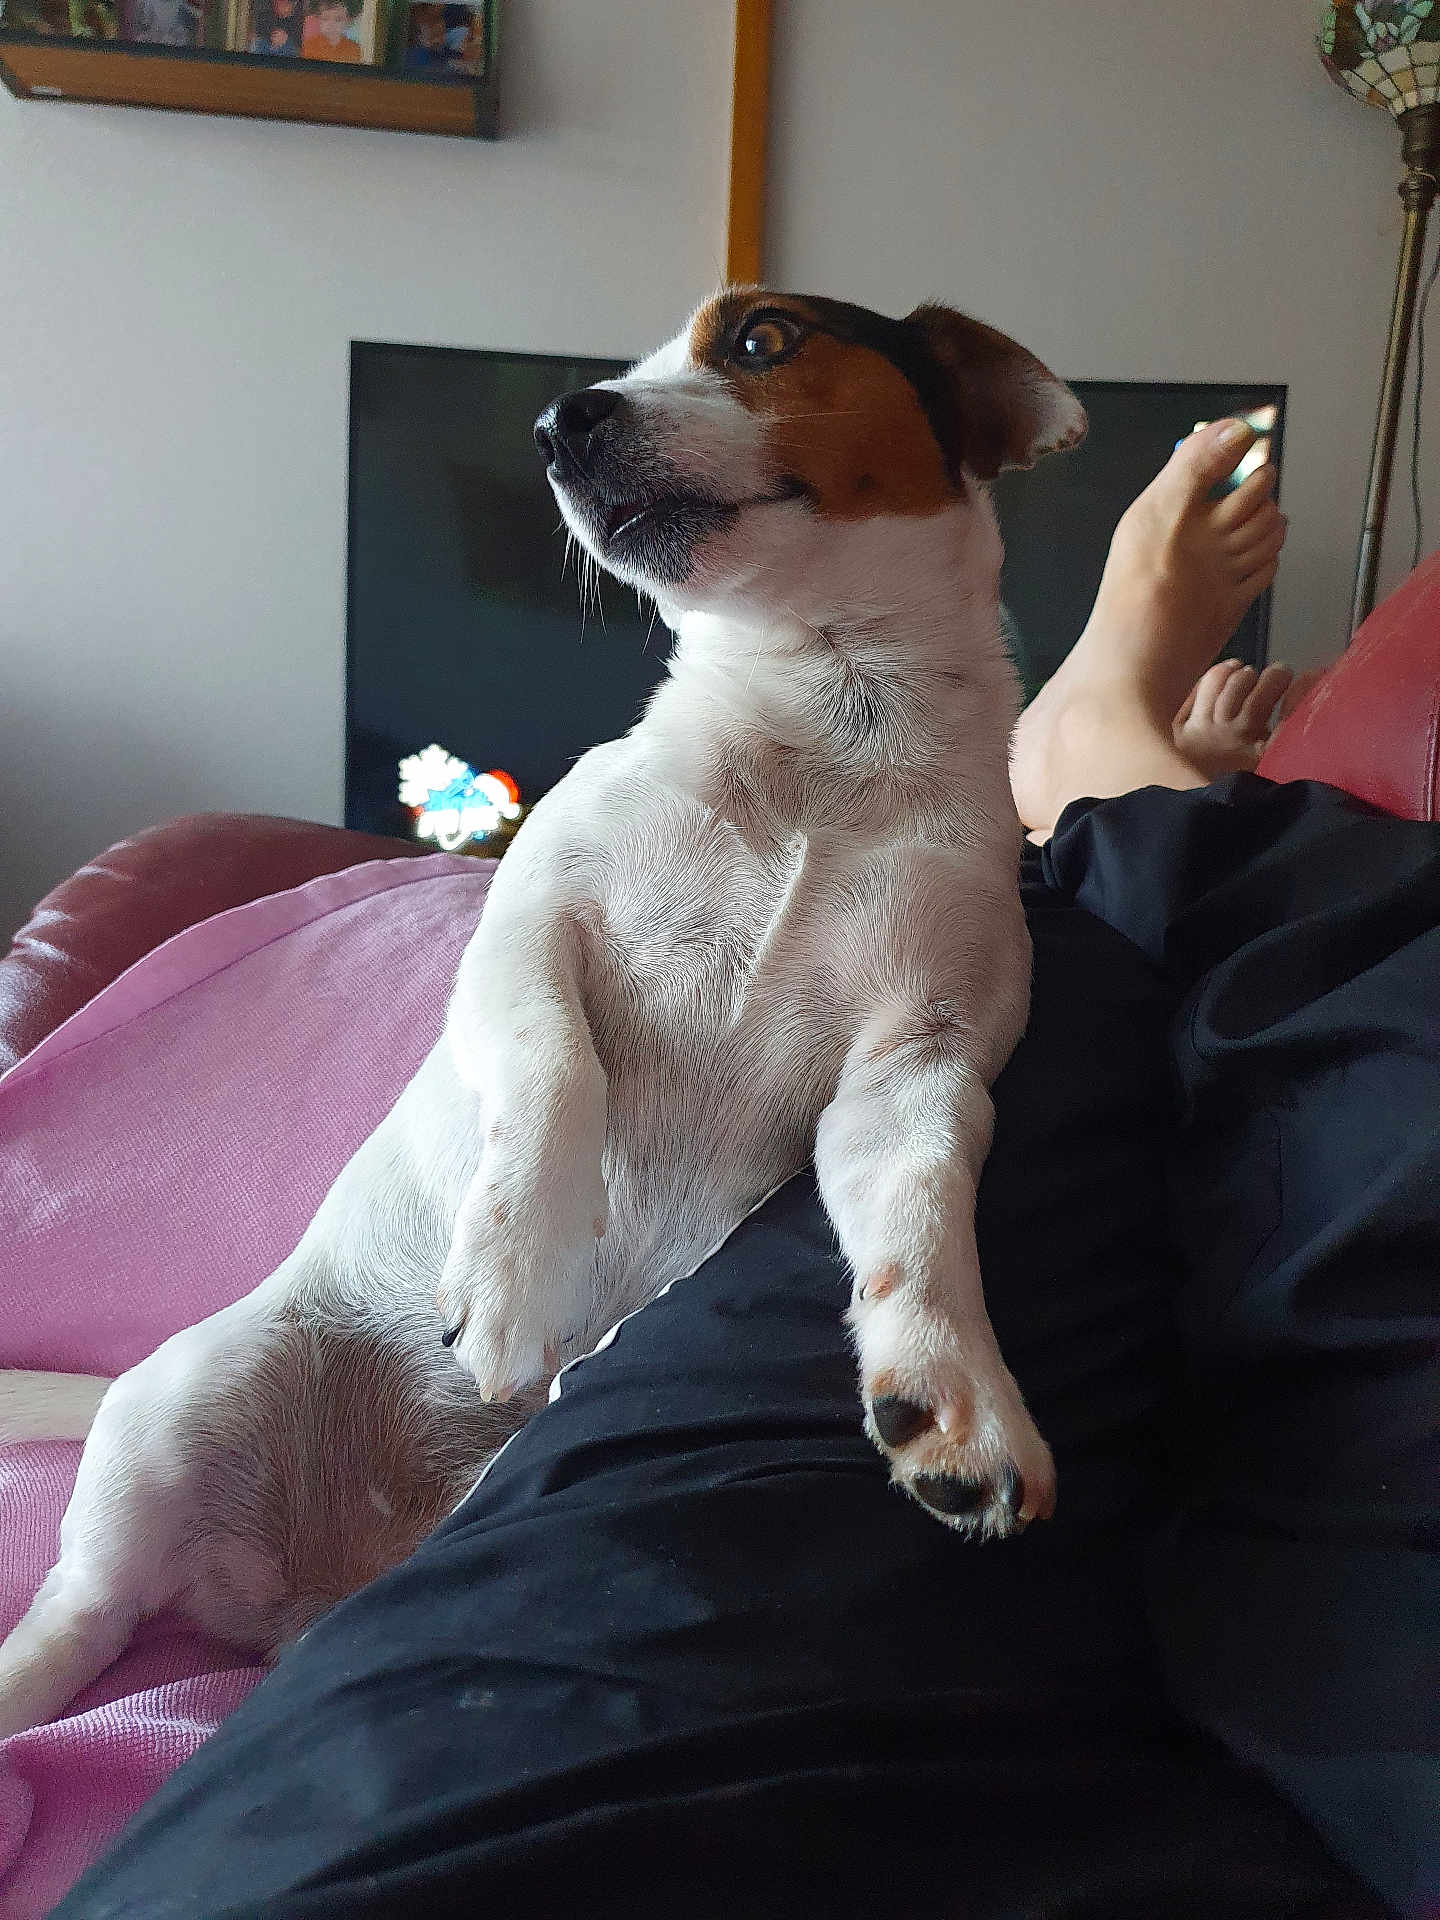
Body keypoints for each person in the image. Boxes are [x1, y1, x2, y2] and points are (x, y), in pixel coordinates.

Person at [49, 429, 1437, 1920]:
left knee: (1005, 1011)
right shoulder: (630, 785)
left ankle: (1094, 784)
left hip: (481, 1624)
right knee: (1059, 984)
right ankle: (1103, 787)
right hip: (505, 1522)